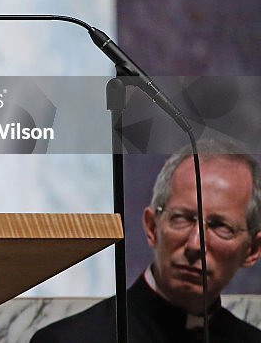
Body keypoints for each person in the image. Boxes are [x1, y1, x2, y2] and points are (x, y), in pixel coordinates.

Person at [32, 140, 261, 342]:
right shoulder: (69, 340)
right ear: (152, 227)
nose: (194, 244)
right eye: (181, 218)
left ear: (252, 250)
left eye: (221, 226)